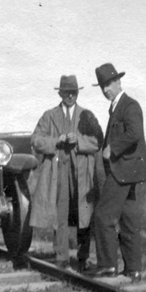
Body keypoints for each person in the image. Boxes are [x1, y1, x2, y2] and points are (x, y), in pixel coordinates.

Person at [87, 63, 146, 281]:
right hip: (127, 170)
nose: (106, 90)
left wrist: (111, 148)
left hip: (123, 170)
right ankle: (133, 269)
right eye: (102, 87)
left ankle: (107, 266)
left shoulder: (129, 105)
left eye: (108, 84)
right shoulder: (118, 106)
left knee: (103, 216)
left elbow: (135, 134)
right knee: (128, 220)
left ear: (118, 82)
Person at [30, 75, 102, 272]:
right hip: (57, 172)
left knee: (83, 214)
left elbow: (97, 141)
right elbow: (36, 140)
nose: (70, 96)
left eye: (74, 92)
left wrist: (78, 140)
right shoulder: (49, 115)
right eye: (67, 93)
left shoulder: (86, 115)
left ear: (77, 93)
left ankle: (83, 257)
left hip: (81, 174)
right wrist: (57, 140)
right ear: (60, 93)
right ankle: (61, 258)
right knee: (60, 215)